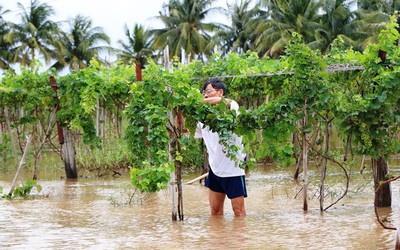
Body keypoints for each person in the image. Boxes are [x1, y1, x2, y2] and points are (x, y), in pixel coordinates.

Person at [195, 79, 247, 216]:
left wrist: (197, 102)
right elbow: (183, 130)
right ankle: (218, 238)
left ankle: (241, 238)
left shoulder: (232, 106)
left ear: (220, 92)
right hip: (215, 170)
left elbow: (226, 103)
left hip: (233, 170)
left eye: (208, 92)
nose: (205, 96)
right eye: (203, 93)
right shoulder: (203, 118)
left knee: (239, 212)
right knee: (215, 212)